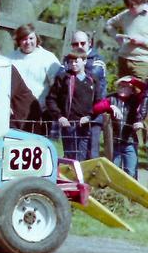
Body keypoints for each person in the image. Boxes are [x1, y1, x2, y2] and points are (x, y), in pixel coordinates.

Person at [45, 49, 102, 161]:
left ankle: (81, 178)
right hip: (69, 125)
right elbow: (51, 99)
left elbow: (98, 102)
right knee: (70, 157)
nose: (73, 64)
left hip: (87, 125)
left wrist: (90, 117)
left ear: (84, 61)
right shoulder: (63, 78)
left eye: (76, 61)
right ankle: (70, 178)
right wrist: (59, 116)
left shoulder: (93, 80)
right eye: (70, 62)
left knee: (85, 157)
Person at [7, 24, 61, 134]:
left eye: (31, 38)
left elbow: (57, 86)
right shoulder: (10, 59)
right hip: (15, 113)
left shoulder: (48, 58)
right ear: (18, 41)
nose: (28, 42)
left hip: (40, 112)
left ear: (37, 38)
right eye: (24, 39)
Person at [63, 31, 107, 159]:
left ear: (90, 43)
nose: (79, 46)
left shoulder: (97, 61)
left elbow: (89, 75)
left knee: (91, 155)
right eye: (75, 43)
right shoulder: (68, 59)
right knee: (70, 154)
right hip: (74, 115)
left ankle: (88, 180)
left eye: (83, 43)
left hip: (93, 115)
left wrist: (72, 66)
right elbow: (61, 77)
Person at [93, 76, 148, 178]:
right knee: (114, 172)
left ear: (132, 90)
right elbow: (96, 108)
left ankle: (130, 193)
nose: (122, 88)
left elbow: (145, 88)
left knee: (131, 172)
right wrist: (111, 106)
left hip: (130, 142)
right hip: (114, 142)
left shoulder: (136, 100)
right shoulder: (111, 99)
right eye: (120, 86)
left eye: (126, 87)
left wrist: (131, 79)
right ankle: (114, 193)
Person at [105, 0, 148, 80]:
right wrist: (117, 37)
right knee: (123, 92)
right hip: (123, 59)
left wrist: (142, 41)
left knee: (139, 92)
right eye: (128, 6)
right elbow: (109, 24)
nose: (131, 9)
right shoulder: (126, 14)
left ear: (141, 2)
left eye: (133, 6)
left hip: (142, 63)